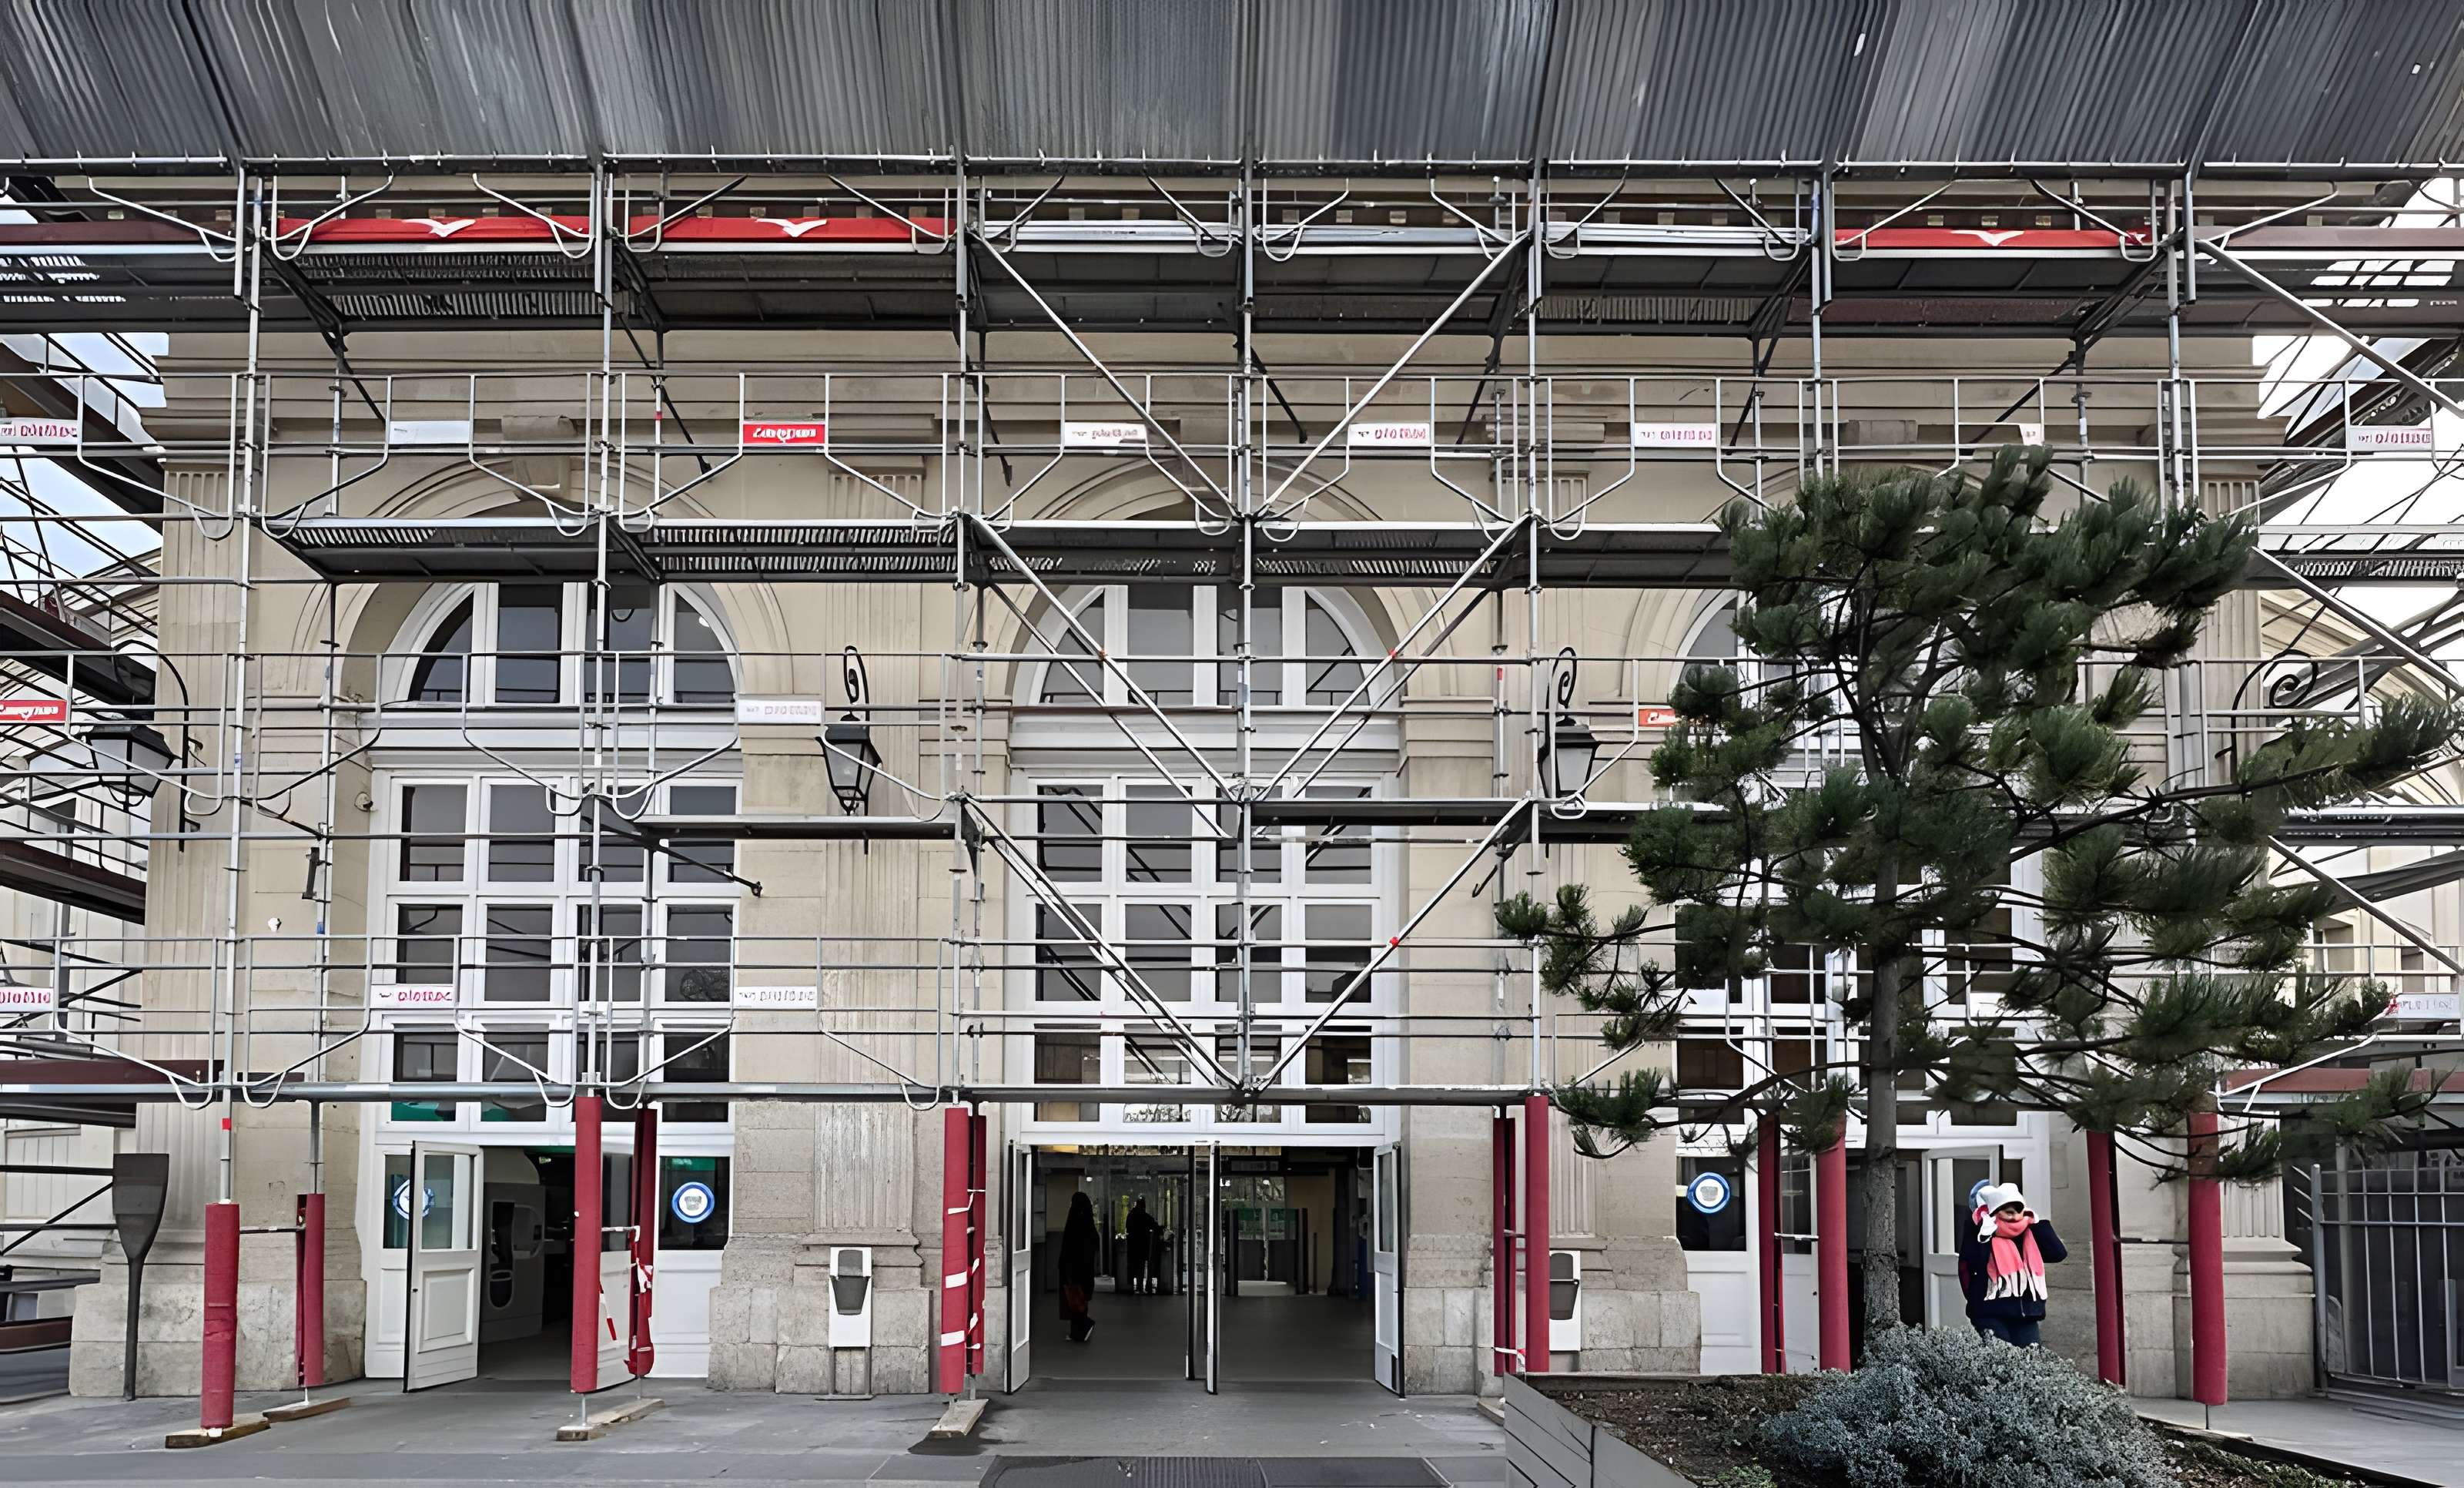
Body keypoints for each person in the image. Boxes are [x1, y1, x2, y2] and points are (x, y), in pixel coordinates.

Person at [1957, 1181, 2067, 1347]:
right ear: (1994, 1211)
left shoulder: (2028, 1231)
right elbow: (1970, 1265)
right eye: (2008, 1211)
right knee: (2002, 1362)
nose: (2014, 1216)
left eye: (2018, 1210)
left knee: (2031, 1363)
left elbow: (2058, 1254)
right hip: (1990, 1313)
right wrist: (1985, 1235)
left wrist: (2037, 1223)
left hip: (2026, 1314)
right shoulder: (1981, 1230)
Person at [1058, 1191, 1100, 1342]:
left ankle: (1079, 1331)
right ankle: (1081, 1330)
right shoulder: (1089, 1223)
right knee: (1081, 1300)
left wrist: (1066, 1269)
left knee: (1074, 1301)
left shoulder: (1074, 1222)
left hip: (1073, 1270)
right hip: (1086, 1270)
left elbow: (1068, 1248)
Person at [1125, 1199, 1160, 1295]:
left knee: (1133, 1265)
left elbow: (1127, 1227)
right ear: (1144, 1207)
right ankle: (1142, 1286)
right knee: (1142, 1265)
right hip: (1143, 1245)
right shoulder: (1145, 1216)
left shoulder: (1131, 1215)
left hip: (1132, 1245)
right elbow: (1155, 1226)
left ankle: (1132, 1286)